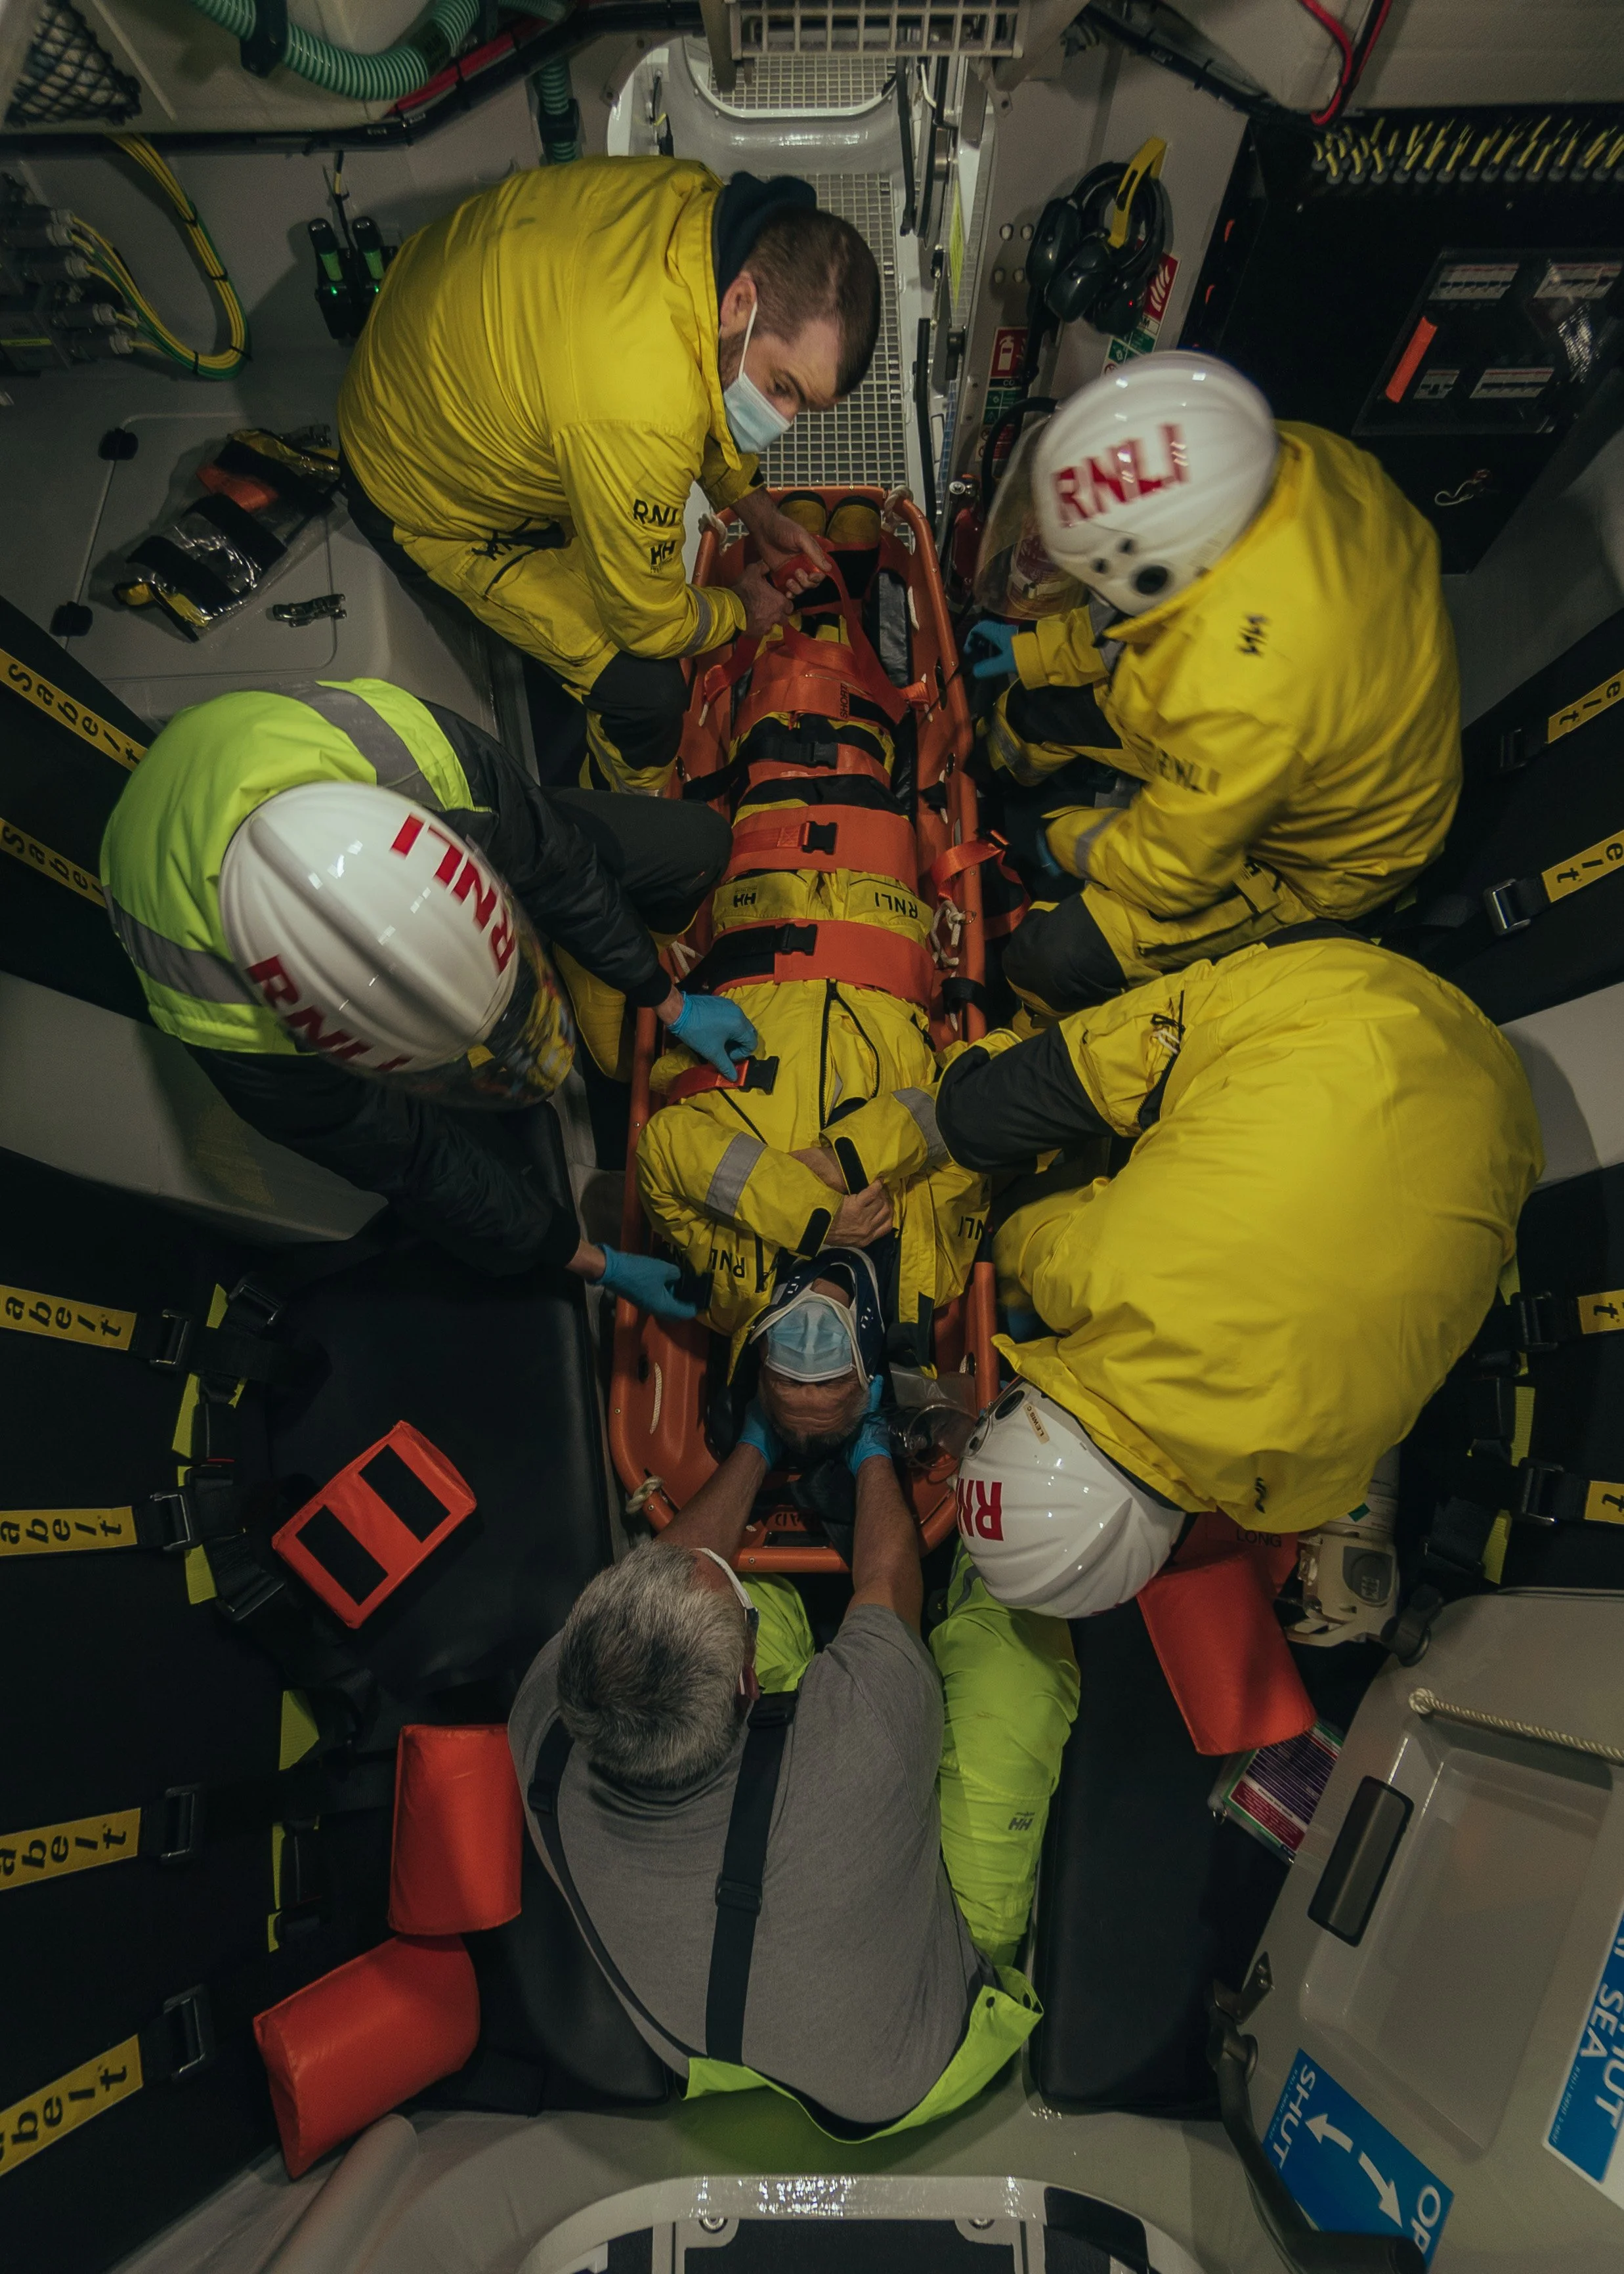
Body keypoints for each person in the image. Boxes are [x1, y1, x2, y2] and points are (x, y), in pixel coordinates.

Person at [932, 929, 1542, 1614]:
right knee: (979, 1128)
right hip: (1351, 992)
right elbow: (1031, 1230)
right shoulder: (1079, 1277)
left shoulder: (1307, 1491)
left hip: (1507, 1118)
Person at [508, 1406, 1079, 2132]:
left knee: (762, 1594)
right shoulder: (853, 1754)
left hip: (714, 2033)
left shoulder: (543, 1711)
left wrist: (758, 1438)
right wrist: (874, 1440)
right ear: (748, 1690)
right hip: (903, 2047)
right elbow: (886, 1580)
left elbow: (681, 1568)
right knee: (1012, 1661)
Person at [98, 674, 752, 1301]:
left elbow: (557, 865)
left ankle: (588, 980)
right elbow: (413, 1160)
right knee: (491, 1226)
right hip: (167, 854)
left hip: (299, 759)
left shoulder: (418, 756)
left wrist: (662, 995)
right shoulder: (235, 1027)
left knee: (693, 845)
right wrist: (586, 1258)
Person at [337, 160, 882, 794]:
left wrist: (758, 513)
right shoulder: (640, 405)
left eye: (801, 406)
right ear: (741, 302)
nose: (784, 420)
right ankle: (624, 815)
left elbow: (702, 379)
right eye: (783, 388)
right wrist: (741, 610)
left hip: (439, 359)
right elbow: (646, 624)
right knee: (645, 692)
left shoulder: (695, 209)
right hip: (420, 486)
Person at [966, 353, 1461, 1014]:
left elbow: (1169, 873)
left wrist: (1056, 838)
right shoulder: (1294, 462)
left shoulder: (1236, 691)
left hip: (1326, 858)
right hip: (1322, 727)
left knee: (1045, 961)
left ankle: (1037, 1041)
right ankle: (986, 767)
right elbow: (1144, 617)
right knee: (1031, 715)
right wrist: (1033, 654)